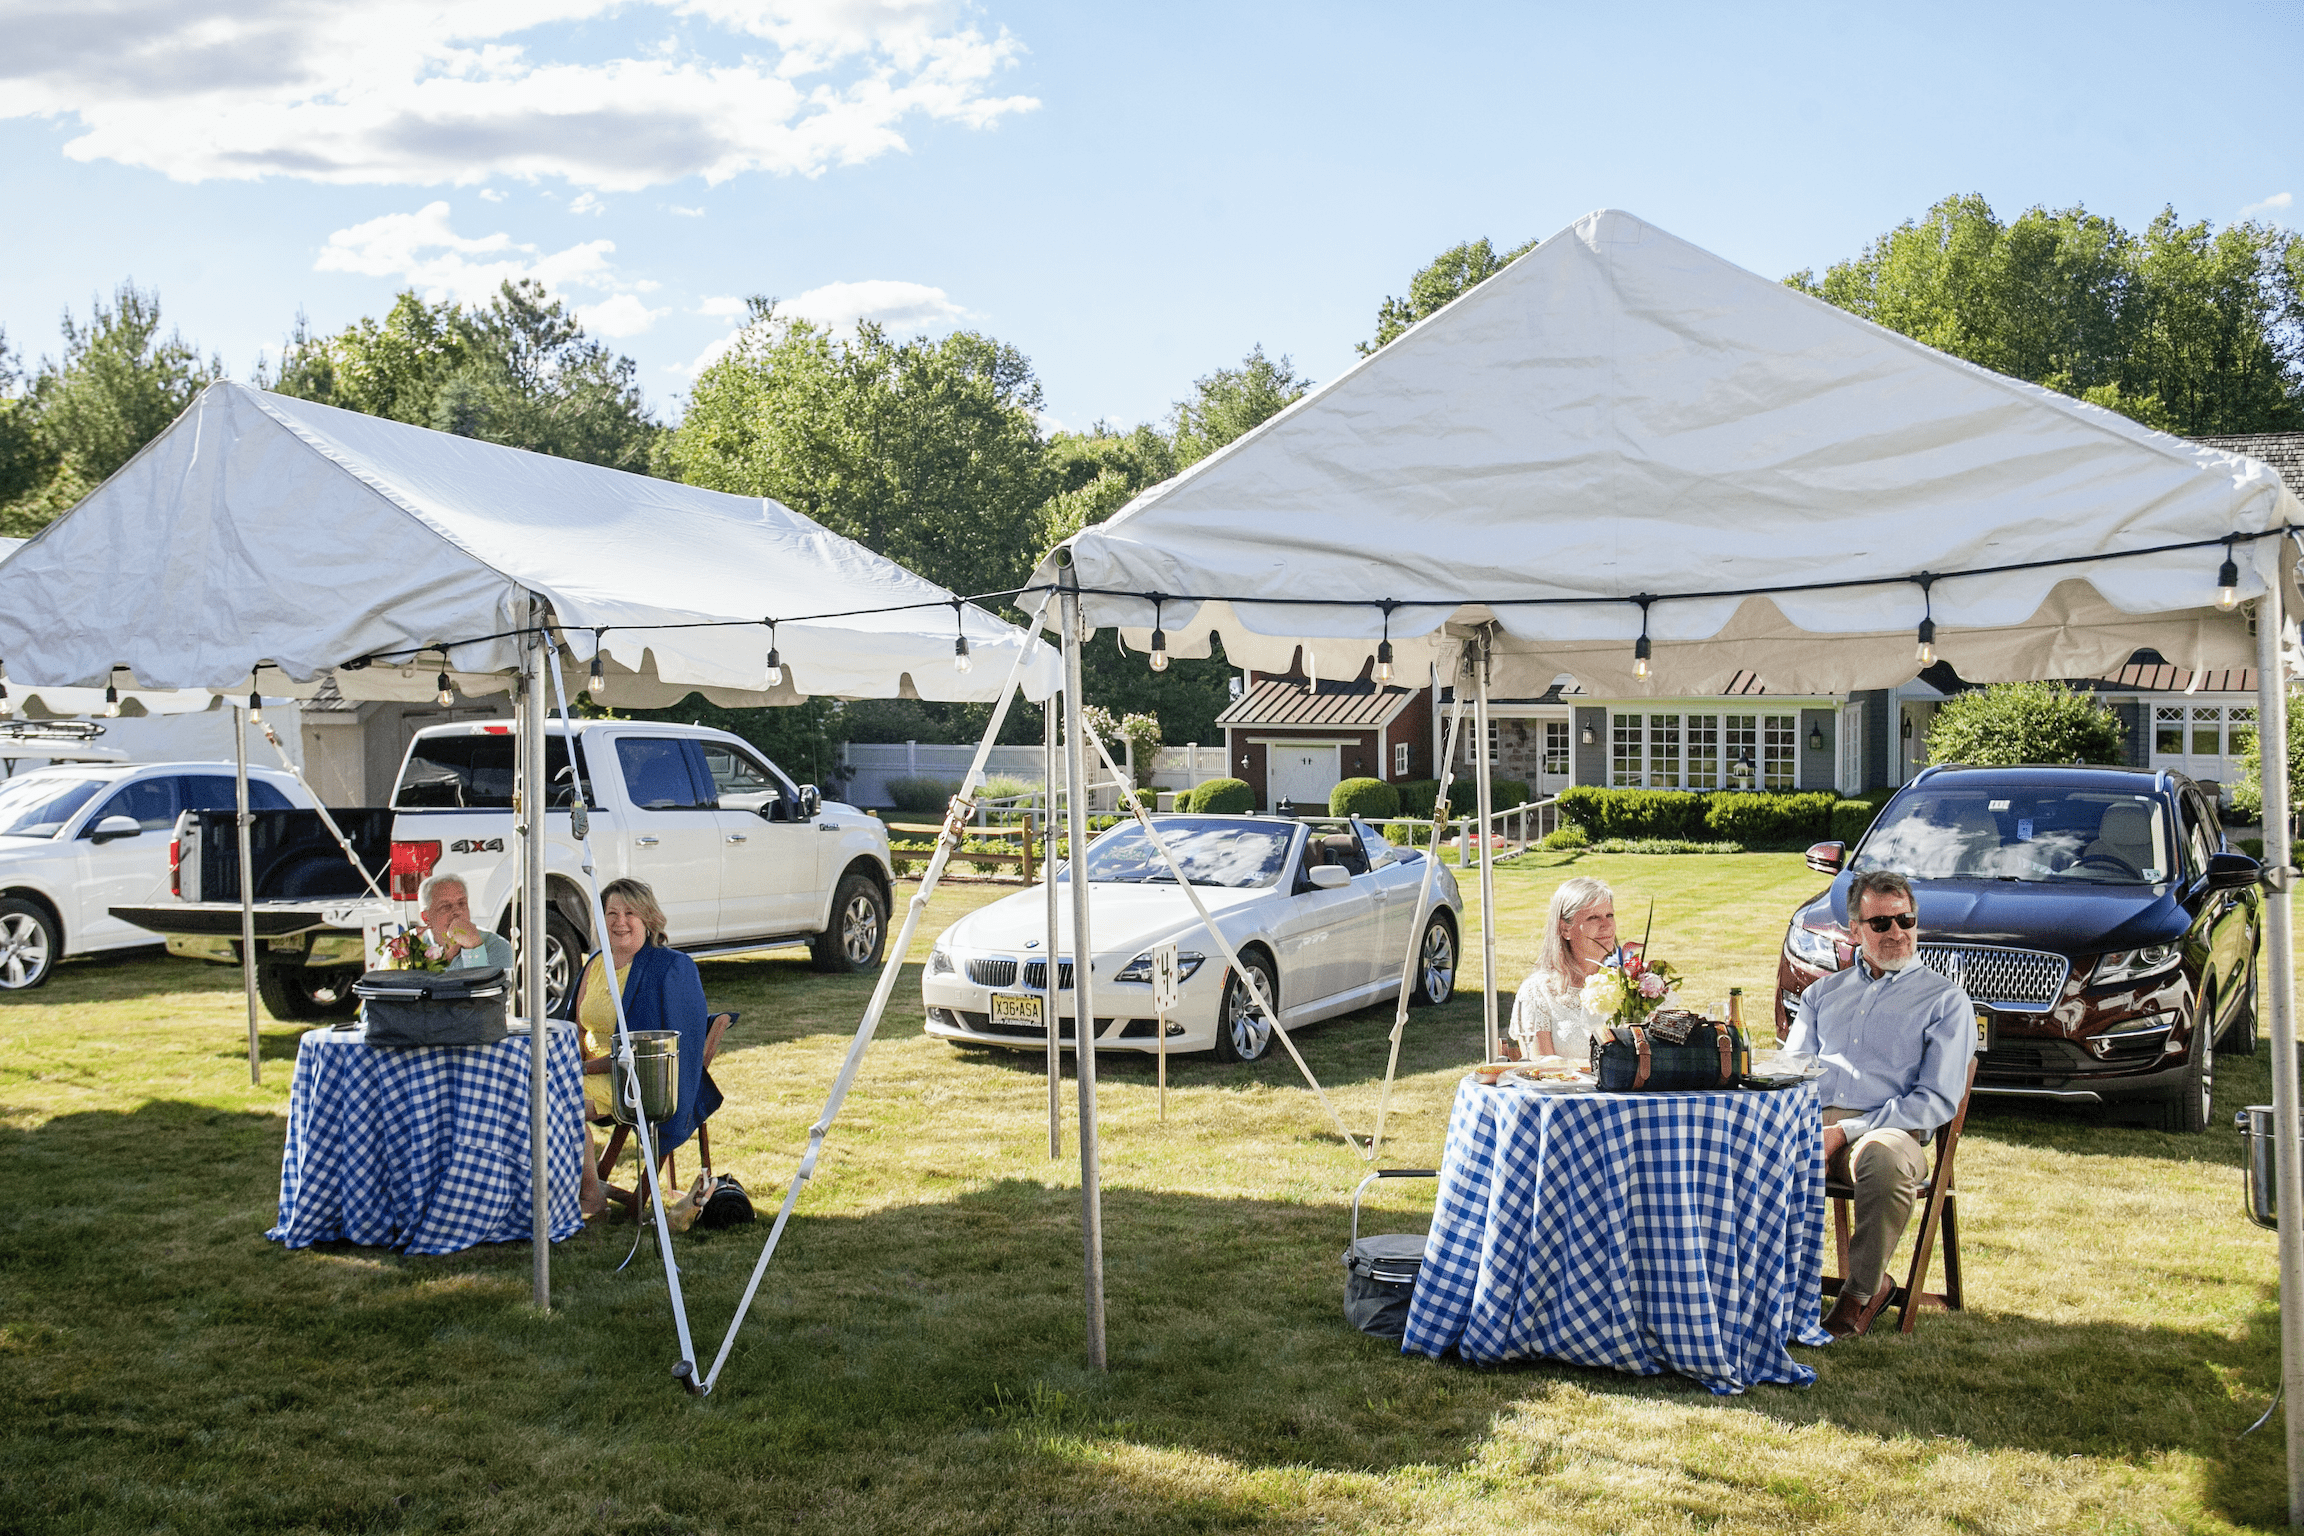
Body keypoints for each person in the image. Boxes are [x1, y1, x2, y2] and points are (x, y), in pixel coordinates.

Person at [1784, 868, 1976, 1339]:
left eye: (1905, 920)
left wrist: (1844, 1133)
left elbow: (1933, 1101)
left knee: (1882, 1160)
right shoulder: (1820, 995)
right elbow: (1791, 1074)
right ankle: (1753, 1288)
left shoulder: (1945, 1001)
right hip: (1813, 1124)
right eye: (1881, 924)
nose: (1897, 933)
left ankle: (1861, 1292)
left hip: (1892, 1131)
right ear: (1854, 930)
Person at [565, 879, 731, 1220]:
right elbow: (577, 1027)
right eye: (611, 912)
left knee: (560, 1109)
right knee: (525, 1097)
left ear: (649, 919)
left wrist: (582, 1070)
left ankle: (591, 1199)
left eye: (630, 913)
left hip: (629, 1080)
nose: (619, 921)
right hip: (585, 1069)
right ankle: (577, 1188)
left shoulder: (669, 968)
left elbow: (657, 1051)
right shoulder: (596, 964)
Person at [1506, 876, 1619, 1063]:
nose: (1606, 926)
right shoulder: (1537, 992)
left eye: (1609, 915)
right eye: (1593, 918)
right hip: (1565, 1092)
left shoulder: (1631, 984)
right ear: (1565, 929)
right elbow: (1542, 1065)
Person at [413, 873, 515, 971]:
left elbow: (483, 986)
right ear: (426, 917)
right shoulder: (409, 946)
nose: (457, 911)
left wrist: (474, 948)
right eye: (445, 906)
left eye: (462, 903)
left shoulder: (497, 947)